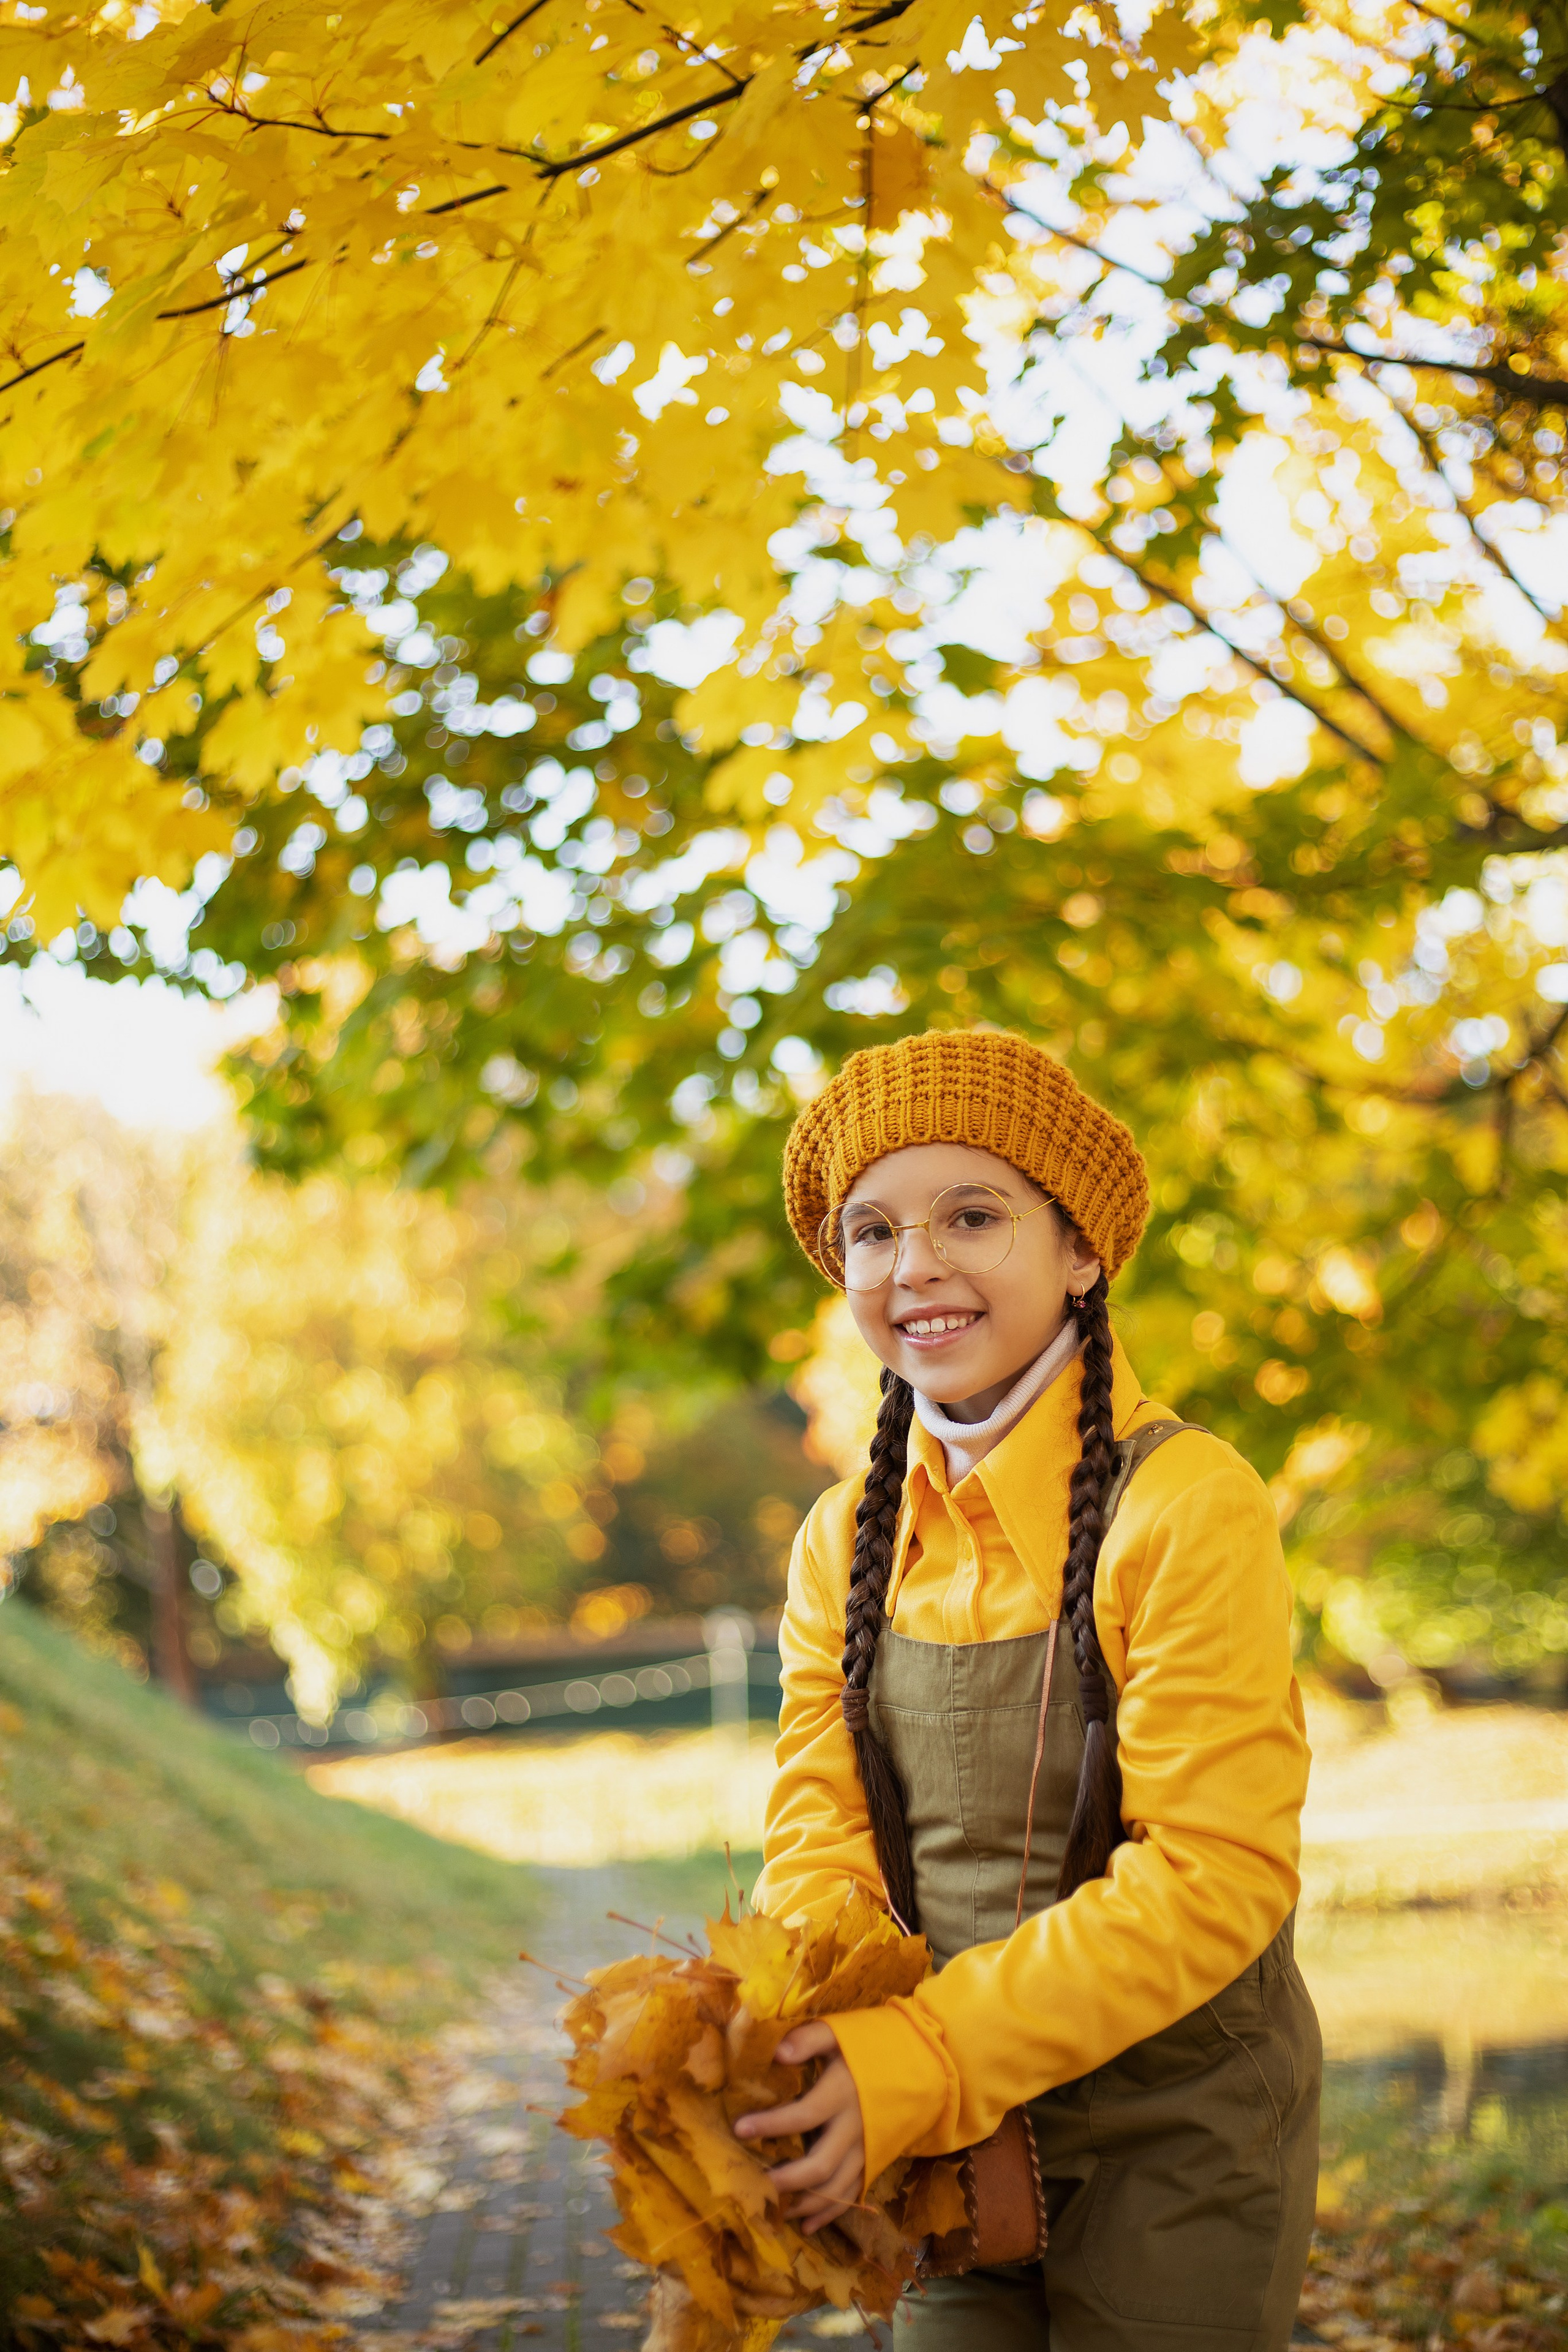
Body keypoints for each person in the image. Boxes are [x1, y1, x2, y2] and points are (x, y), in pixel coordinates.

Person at [733, 1027, 1320, 2351]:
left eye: (972, 1215)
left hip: (1181, 2133)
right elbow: (816, 1833)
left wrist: (922, 2059)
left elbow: (1213, 1873)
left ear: (1081, 1252)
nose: (913, 1265)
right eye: (870, 1233)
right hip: (943, 2135)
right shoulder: (843, 1542)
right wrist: (834, 2039)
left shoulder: (1181, 1504)